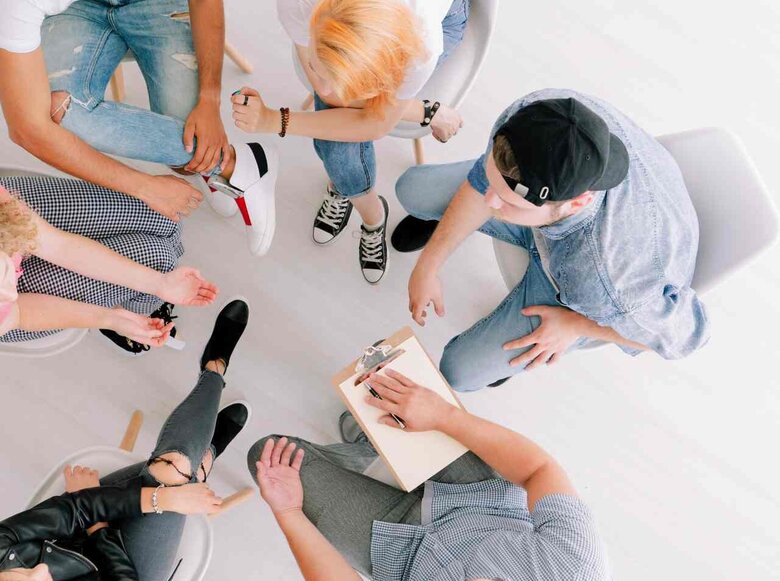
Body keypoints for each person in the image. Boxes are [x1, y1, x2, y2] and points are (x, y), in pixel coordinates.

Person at [392, 88, 710, 392]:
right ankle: (456, 220)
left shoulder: (613, 284)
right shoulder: (537, 114)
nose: (488, 201)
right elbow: (483, 188)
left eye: (507, 201)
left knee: (458, 372)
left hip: (575, 283)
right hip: (551, 227)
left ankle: (500, 363)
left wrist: (577, 325)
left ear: (577, 202)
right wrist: (429, 265)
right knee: (412, 190)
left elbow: (686, 338)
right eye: (492, 182)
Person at [248, 369, 612, 581]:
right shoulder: (575, 568)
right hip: (477, 499)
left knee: (267, 455)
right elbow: (539, 470)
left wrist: (288, 513)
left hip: (401, 559)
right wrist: (443, 416)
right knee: (382, 377)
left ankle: (369, 449)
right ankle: (374, 444)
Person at [0, 298, 252, 581]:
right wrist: (98, 527)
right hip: (132, 573)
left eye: (20, 576)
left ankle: (206, 433)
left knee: (173, 471)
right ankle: (213, 379)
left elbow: (73, 510)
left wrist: (164, 499)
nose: (42, 569)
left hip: (78, 532)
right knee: (177, 470)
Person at [0, 0, 278, 255]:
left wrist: (209, 99)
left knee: (187, 141)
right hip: (78, 8)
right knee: (56, 111)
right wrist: (145, 187)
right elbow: (28, 128)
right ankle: (234, 165)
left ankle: (213, 166)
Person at [231, 0, 470, 283]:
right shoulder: (297, 3)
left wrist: (274, 120)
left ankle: (366, 209)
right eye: (316, 66)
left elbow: (376, 123)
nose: (325, 88)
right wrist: (423, 112)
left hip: (441, 17)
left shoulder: (421, 42)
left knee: (337, 148)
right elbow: (330, 93)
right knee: (337, 135)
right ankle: (370, 212)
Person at [0, 177, 217, 354]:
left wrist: (158, 283)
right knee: (160, 260)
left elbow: (59, 246)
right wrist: (112, 320)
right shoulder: (9, 299)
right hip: (24, 312)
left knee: (166, 219)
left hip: (8, 223)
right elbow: (20, 312)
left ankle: (142, 296)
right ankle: (131, 306)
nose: (10, 294)